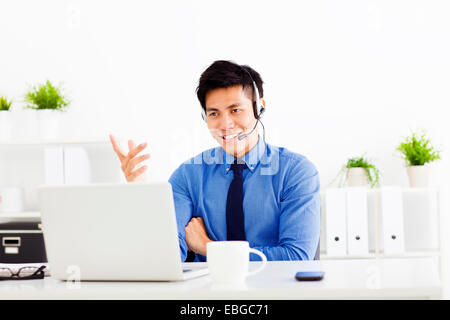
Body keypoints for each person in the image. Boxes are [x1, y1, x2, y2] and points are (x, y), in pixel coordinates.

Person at [110, 60, 320, 262]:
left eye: (235, 110)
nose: (225, 124)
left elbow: (295, 256)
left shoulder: (296, 172)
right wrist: (139, 196)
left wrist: (209, 248)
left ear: (259, 108)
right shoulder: (188, 176)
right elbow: (166, 255)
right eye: (214, 113)